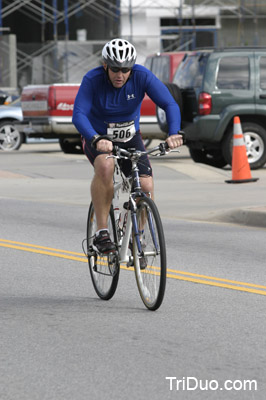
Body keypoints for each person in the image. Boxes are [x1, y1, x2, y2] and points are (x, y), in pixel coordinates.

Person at [72, 38, 183, 254]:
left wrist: (173, 133)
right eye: (115, 69)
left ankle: (136, 236)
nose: (120, 75)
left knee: (146, 187)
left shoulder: (141, 76)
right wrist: (95, 138)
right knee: (105, 166)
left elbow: (169, 103)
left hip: (130, 137)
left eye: (125, 69)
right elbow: (79, 115)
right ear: (105, 66)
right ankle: (102, 232)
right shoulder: (93, 79)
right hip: (99, 138)